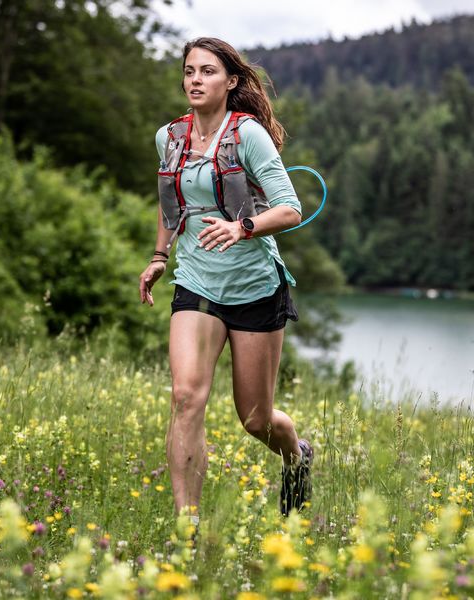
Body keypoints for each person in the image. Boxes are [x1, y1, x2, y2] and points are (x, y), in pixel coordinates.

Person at [139, 37, 313, 526]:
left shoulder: (248, 135)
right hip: (196, 282)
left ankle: (296, 454)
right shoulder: (168, 137)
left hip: (255, 286)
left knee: (256, 420)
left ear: (231, 81)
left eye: (208, 72)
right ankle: (186, 530)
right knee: (186, 396)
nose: (195, 80)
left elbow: (290, 207)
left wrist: (243, 227)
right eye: (189, 71)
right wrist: (159, 255)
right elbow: (169, 199)